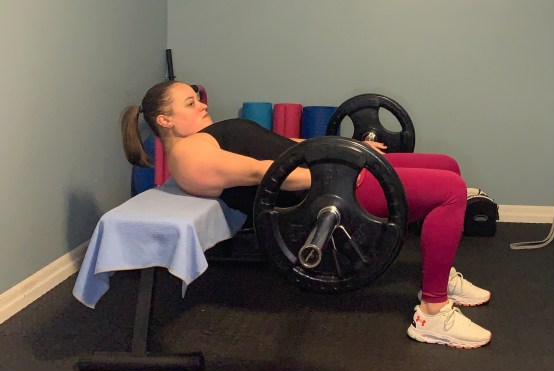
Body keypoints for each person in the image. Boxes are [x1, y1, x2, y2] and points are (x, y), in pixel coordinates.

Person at [121, 81, 492, 349]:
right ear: (165, 121)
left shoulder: (205, 138)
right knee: (450, 191)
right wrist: (338, 173)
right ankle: (433, 312)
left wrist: (348, 149)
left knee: (447, 165)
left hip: (334, 172)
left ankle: (440, 270)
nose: (202, 105)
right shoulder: (189, 154)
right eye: (190, 103)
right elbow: (263, 173)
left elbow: (284, 147)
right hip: (330, 193)